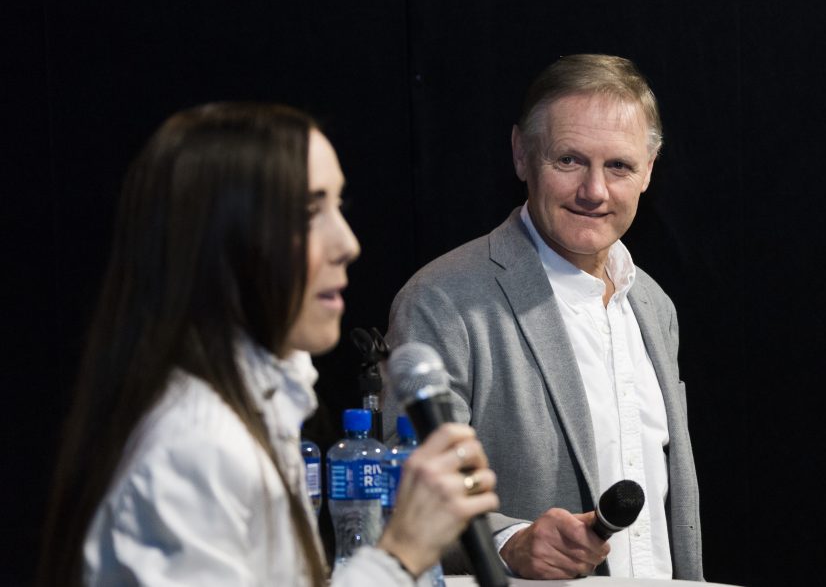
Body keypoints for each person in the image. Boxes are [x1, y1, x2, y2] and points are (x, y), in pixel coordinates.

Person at [36, 102, 498, 586]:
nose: (347, 244)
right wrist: (401, 554)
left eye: (338, 207)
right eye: (308, 214)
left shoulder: (258, 412)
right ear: (220, 242)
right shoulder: (197, 446)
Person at [384, 54, 702, 580]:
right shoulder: (442, 300)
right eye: (569, 160)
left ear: (648, 171)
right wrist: (509, 543)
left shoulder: (653, 304)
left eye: (619, 166)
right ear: (521, 155)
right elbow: (404, 496)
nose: (594, 191)